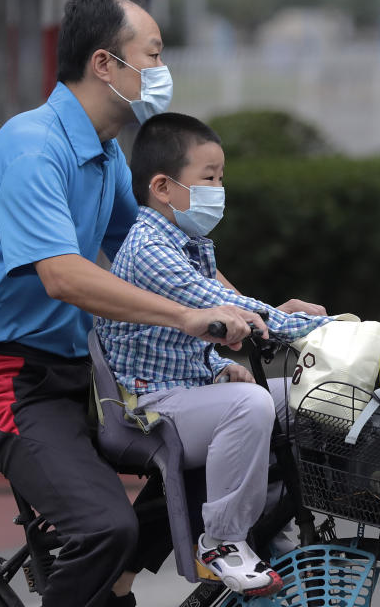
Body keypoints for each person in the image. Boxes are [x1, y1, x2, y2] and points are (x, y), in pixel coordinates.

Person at [0, 0, 267, 607]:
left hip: (75, 377)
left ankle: (113, 588)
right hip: (1, 378)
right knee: (103, 528)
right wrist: (189, 318)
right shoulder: (34, 147)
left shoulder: (106, 156)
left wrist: (255, 311)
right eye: (154, 55)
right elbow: (62, 274)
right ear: (104, 65)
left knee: (221, 444)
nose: (163, 71)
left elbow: (162, 259)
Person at [94, 112, 330, 597]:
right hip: (148, 408)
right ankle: (222, 541)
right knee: (251, 407)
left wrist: (222, 364)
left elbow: (201, 327)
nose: (219, 189)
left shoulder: (189, 243)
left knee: (305, 399)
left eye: (221, 178)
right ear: (163, 187)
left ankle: (271, 527)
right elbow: (217, 305)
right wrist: (326, 330)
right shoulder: (149, 248)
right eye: (209, 178)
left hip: (187, 391)